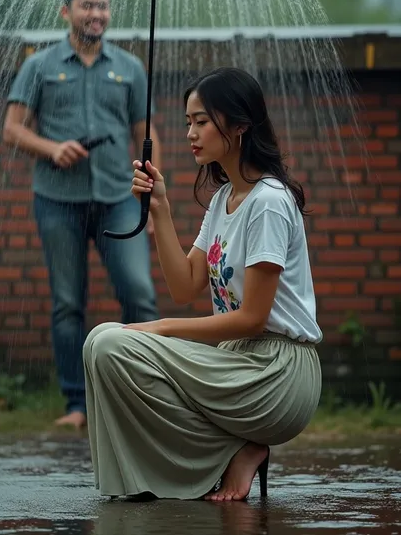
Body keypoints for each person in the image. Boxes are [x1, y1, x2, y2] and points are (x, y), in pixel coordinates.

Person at [83, 66, 323, 501]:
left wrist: (156, 329)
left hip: (277, 374)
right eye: (187, 123)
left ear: (240, 126)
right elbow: (185, 286)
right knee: (101, 341)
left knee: (114, 344)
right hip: (237, 362)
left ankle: (237, 449)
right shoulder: (223, 199)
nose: (190, 133)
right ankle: (230, 451)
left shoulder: (267, 201)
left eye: (201, 122)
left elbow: (251, 319)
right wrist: (159, 208)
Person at [3, 0, 161, 429]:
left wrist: (153, 201)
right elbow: (12, 128)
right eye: (87, 6)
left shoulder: (130, 67)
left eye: (102, 7)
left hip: (119, 198)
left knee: (140, 293)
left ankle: (139, 397)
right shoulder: (40, 65)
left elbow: (144, 133)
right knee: (68, 303)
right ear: (66, 12)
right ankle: (78, 405)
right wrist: (52, 149)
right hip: (57, 199)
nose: (96, 14)